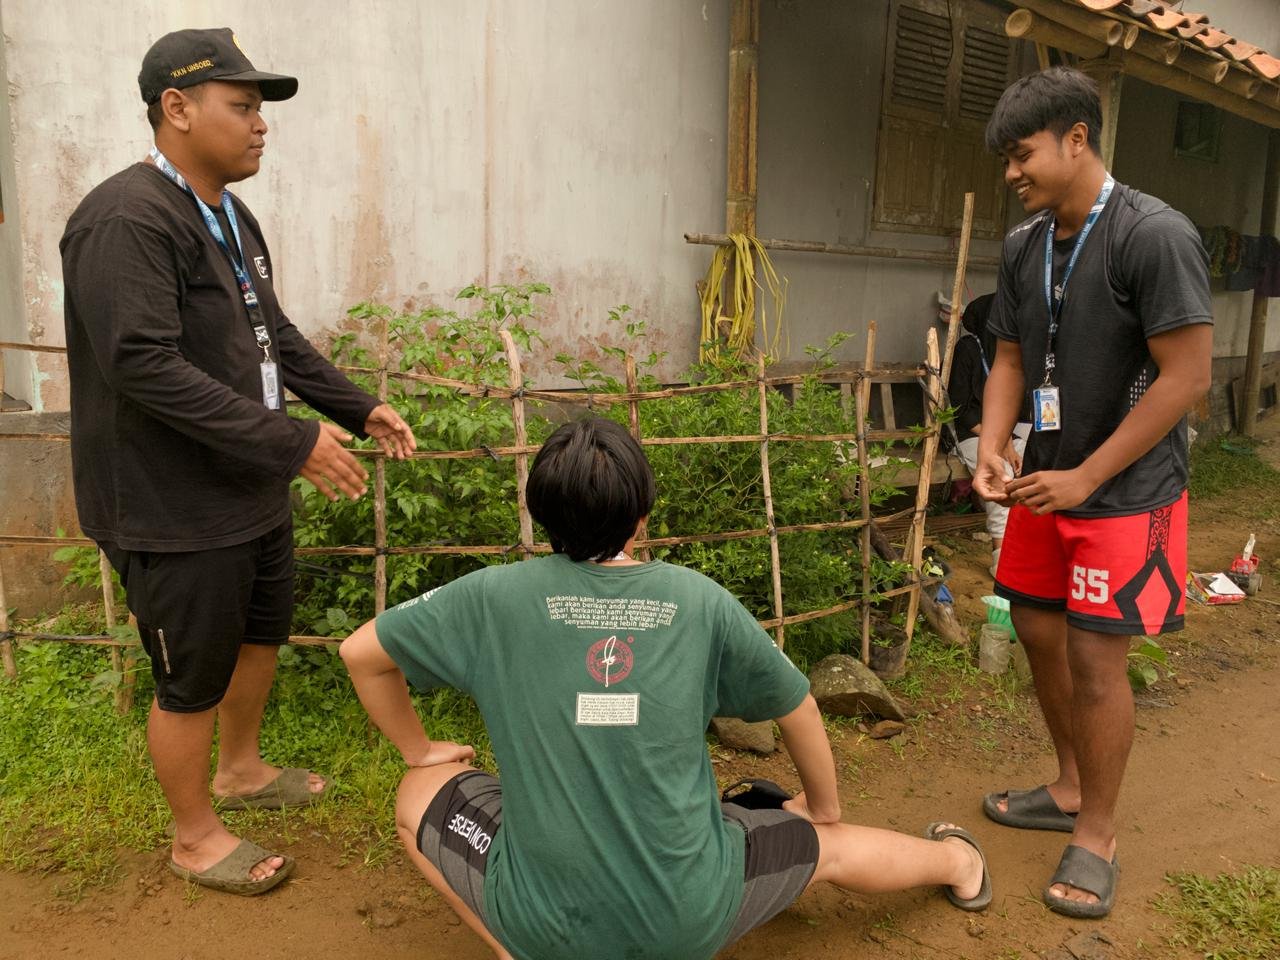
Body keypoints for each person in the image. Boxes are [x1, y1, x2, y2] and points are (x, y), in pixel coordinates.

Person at [340, 417, 991, 960]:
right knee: (832, 848)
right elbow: (796, 704)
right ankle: (961, 865)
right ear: (643, 514)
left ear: (540, 516)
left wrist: (417, 749)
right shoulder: (697, 600)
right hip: (688, 918)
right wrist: (821, 809)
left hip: (541, 918)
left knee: (416, 790)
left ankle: (515, 948)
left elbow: (360, 652)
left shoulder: (490, 597)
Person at [60, 28, 417, 895]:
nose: (261, 125)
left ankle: (243, 770)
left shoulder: (224, 212)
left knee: (257, 636)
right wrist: (292, 441)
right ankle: (193, 837)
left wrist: (350, 405)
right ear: (176, 109)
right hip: (171, 503)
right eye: (243, 106)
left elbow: (271, 336)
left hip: (243, 490)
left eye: (261, 109)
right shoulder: (127, 218)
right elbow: (140, 363)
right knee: (191, 676)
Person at [972, 67, 1211, 919]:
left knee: (1096, 658)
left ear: (1078, 138)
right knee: (1036, 625)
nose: (1011, 173)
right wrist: (993, 446)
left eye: (1022, 153)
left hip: (1126, 490)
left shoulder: (1155, 235)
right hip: (1047, 480)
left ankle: (1098, 834)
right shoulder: (1022, 244)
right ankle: (1071, 785)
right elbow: (1006, 357)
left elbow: (1186, 378)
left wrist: (1089, 475)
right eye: (1005, 158)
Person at [941, 292, 1032, 574]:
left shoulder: (1012, 352)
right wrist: (1000, 441)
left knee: (1040, 450)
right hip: (970, 433)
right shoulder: (968, 349)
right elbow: (961, 410)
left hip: (1005, 432)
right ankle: (1001, 552)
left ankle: (1031, 545)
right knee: (1001, 471)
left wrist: (1009, 439)